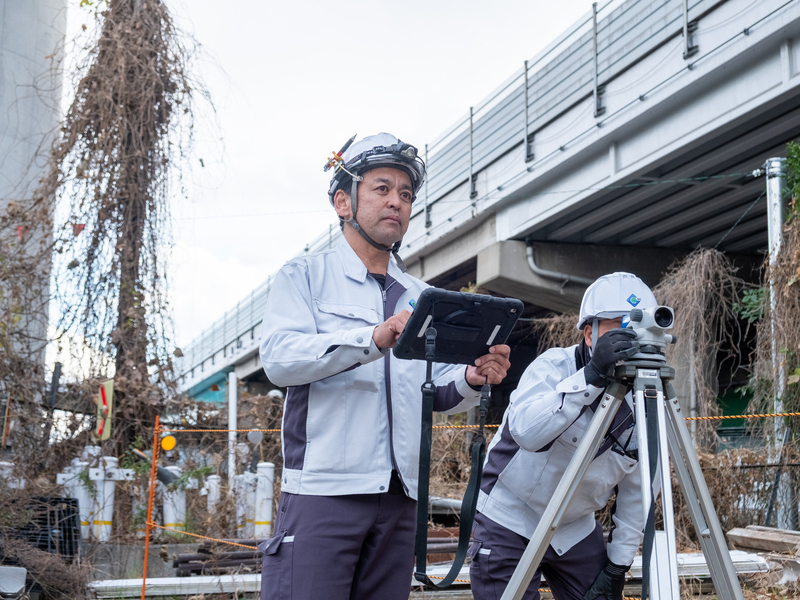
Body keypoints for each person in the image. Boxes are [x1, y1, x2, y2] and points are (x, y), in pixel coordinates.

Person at [259, 133, 512, 600]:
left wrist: (472, 379)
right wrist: (371, 339)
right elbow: (278, 359)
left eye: (406, 194)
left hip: (400, 501)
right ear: (343, 201)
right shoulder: (304, 277)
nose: (396, 202)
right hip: (324, 493)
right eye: (381, 189)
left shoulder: (420, 295)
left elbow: (431, 391)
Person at [469, 272, 657, 600]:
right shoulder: (554, 368)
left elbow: (639, 490)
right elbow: (528, 432)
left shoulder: (643, 399)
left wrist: (618, 564)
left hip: (574, 526)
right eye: (620, 328)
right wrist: (591, 378)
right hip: (510, 515)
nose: (631, 339)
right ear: (589, 334)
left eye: (639, 328)